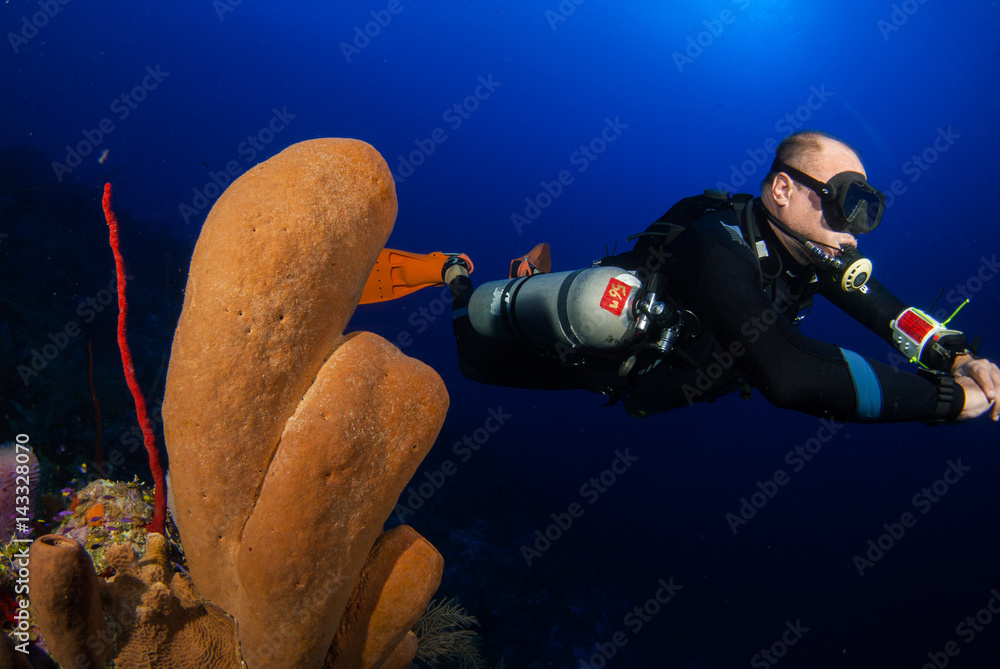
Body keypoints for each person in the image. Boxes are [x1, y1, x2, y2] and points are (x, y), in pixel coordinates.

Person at [430, 131, 1000, 425]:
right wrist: (948, 400)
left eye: (866, 213)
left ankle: (526, 280)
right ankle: (456, 275)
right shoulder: (714, 245)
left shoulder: (813, 250)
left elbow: (884, 307)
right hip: (597, 354)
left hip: (646, 381)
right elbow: (788, 373)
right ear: (782, 190)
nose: (852, 234)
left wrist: (955, 356)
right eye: (844, 205)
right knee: (475, 362)